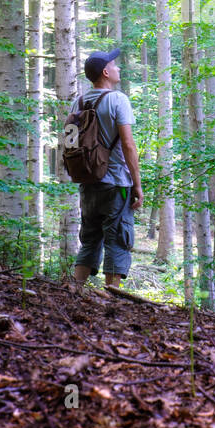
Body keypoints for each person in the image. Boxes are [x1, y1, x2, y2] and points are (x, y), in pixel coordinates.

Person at [71, 48, 143, 290]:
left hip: (88, 180)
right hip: (116, 184)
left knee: (89, 240)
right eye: (114, 65)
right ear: (105, 72)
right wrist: (137, 184)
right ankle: (113, 300)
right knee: (118, 241)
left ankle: (75, 291)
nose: (118, 68)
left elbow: (71, 143)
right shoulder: (118, 100)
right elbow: (128, 145)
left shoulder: (78, 102)